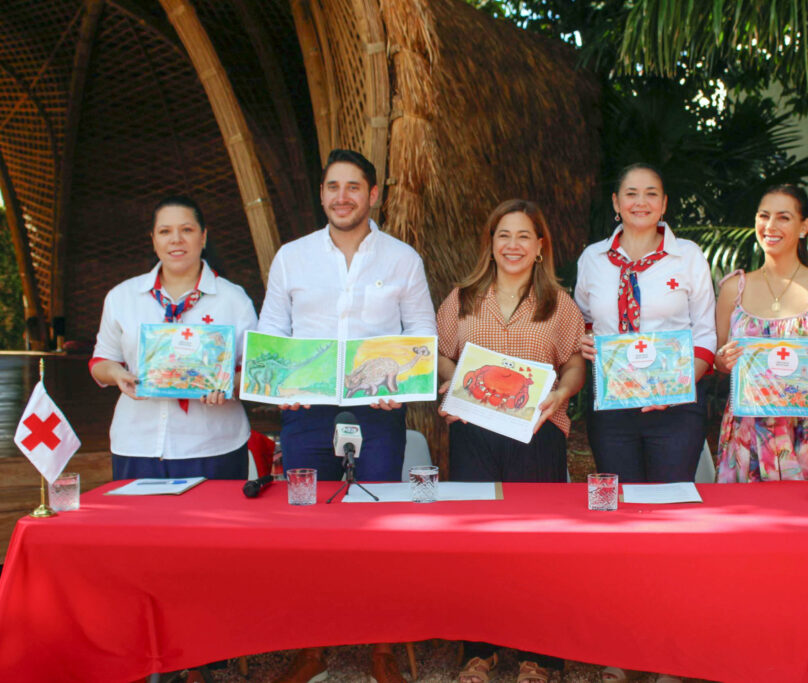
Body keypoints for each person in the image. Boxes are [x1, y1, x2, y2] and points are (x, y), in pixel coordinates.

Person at [257, 149, 435, 683]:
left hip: (377, 411)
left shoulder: (402, 259)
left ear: (373, 194)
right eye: (333, 186)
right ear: (322, 193)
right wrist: (281, 387)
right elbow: (273, 331)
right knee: (307, 529)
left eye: (353, 187)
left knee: (377, 527)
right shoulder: (292, 257)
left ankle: (381, 647)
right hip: (306, 413)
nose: (342, 197)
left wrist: (400, 386)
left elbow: (420, 335)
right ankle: (312, 646)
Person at [436, 199, 585, 683]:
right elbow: (438, 354)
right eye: (504, 235)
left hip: (536, 435)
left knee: (535, 545)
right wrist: (455, 380)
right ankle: (478, 651)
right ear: (491, 242)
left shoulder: (559, 304)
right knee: (476, 545)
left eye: (524, 236)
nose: (513, 245)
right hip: (473, 435)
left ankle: (537, 655)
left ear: (541, 247)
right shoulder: (461, 298)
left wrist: (561, 392)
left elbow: (575, 363)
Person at [90, 195, 256, 481]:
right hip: (137, 442)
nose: (176, 239)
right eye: (165, 231)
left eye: (187, 230)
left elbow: (255, 371)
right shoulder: (122, 297)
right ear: (153, 239)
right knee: (143, 527)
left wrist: (226, 385)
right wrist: (118, 374)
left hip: (214, 444)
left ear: (203, 237)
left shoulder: (233, 299)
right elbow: (100, 362)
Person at [575, 163, 717, 485]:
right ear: (615, 202)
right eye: (631, 194)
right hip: (611, 406)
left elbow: (706, 332)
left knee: (670, 503)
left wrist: (675, 387)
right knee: (622, 501)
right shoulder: (592, 259)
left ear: (664, 204)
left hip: (677, 407)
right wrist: (583, 341)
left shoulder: (688, 256)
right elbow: (584, 322)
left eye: (651, 194)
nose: (641, 202)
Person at [714, 184, 808, 482]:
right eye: (764, 216)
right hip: (748, 429)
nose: (770, 226)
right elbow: (719, 359)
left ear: (805, 226)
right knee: (745, 521)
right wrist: (722, 360)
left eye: (783, 217)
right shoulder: (732, 289)